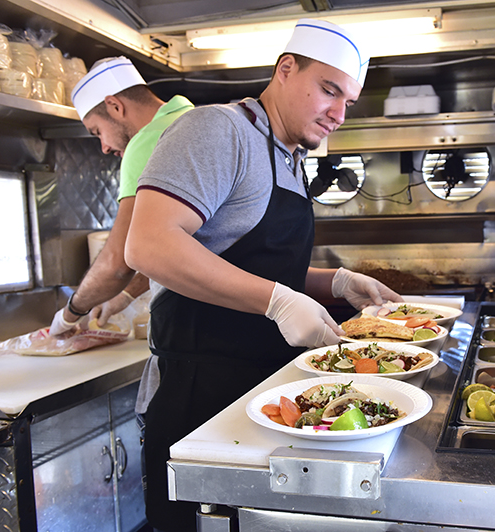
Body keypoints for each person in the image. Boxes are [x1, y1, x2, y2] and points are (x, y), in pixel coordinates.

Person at [124, 19, 402, 531]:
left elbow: (252, 261)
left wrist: (332, 282)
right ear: (285, 69)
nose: (338, 114)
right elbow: (149, 244)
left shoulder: (288, 156)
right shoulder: (218, 129)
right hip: (200, 392)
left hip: (261, 391)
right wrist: (278, 301)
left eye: (349, 102)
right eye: (328, 90)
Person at [49, 57, 194, 335]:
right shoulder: (192, 120)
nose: (103, 147)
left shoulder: (148, 141)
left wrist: (69, 314)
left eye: (97, 131)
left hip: (192, 328)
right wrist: (125, 296)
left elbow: (117, 262)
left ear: (115, 106)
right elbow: (180, 243)